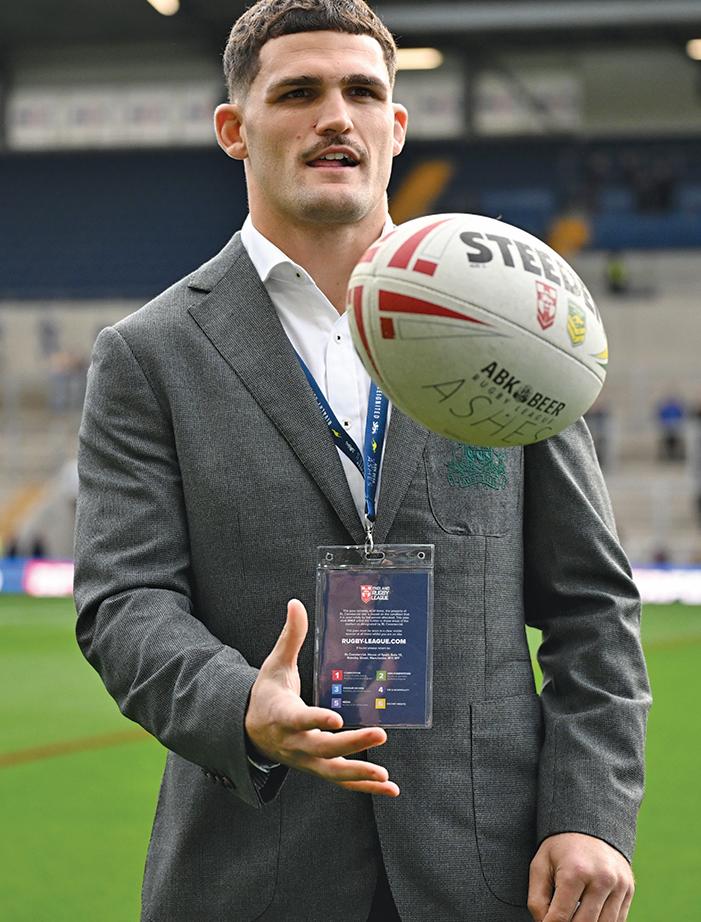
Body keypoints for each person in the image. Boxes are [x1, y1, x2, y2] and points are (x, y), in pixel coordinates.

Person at [73, 2, 651, 921]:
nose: (334, 116)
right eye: (297, 93)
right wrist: (239, 706)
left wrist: (590, 817)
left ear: (396, 126)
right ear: (234, 129)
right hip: (251, 874)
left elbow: (590, 605)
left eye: (361, 92)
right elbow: (124, 600)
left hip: (491, 873)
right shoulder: (150, 354)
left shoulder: (510, 321)